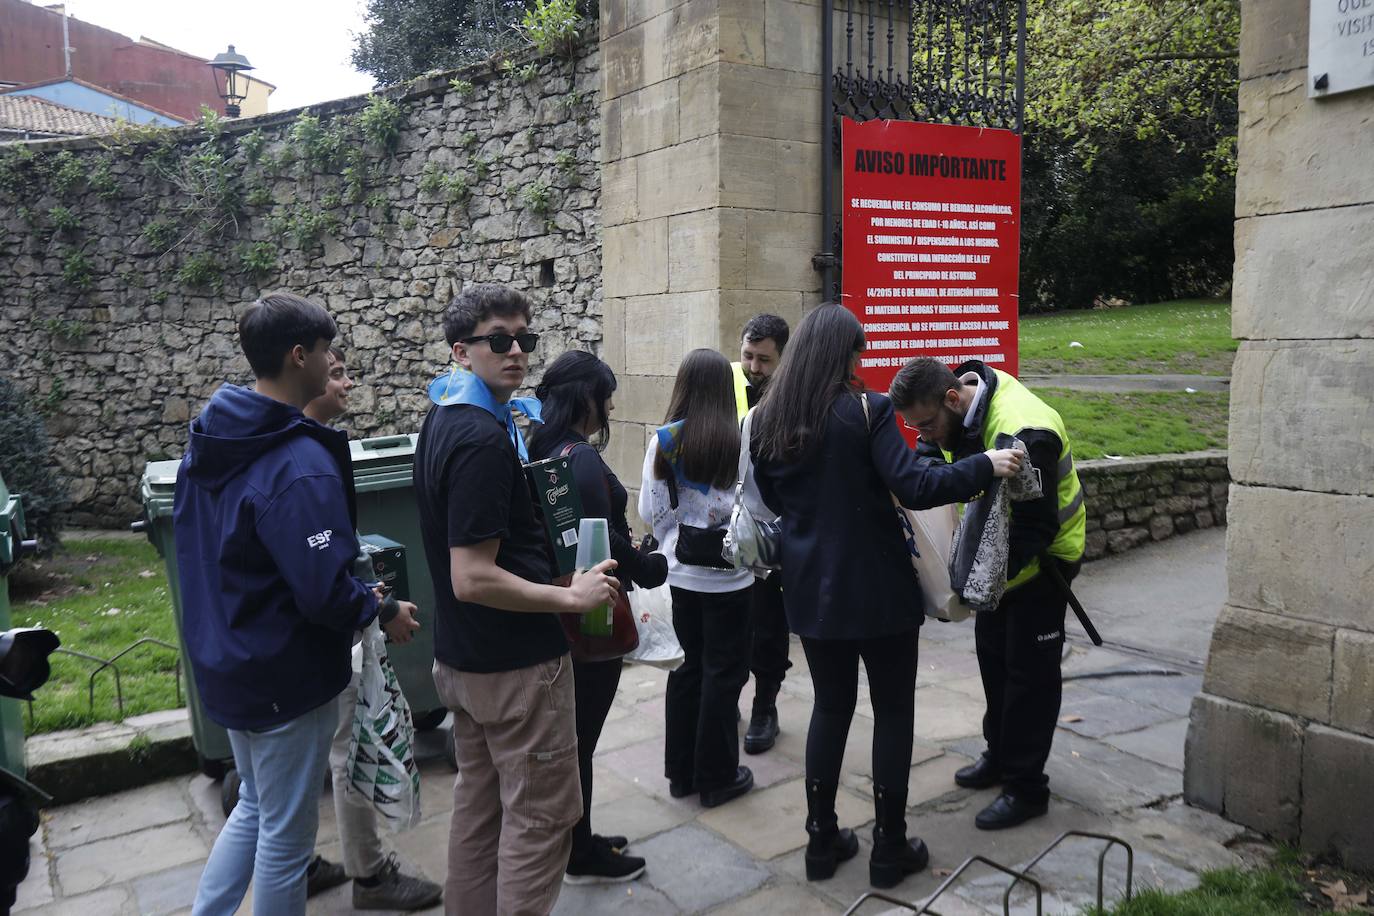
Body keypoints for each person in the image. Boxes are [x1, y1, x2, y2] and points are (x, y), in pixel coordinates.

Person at [749, 304, 1024, 888]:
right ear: (844, 354)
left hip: (810, 590)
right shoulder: (866, 410)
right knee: (893, 712)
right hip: (878, 591)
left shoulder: (766, 418)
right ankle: (889, 848)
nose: (860, 364)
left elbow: (771, 501)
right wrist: (986, 464)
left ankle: (821, 842)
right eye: (857, 354)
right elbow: (916, 485)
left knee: (830, 708)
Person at [175, 293, 421, 915]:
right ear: (298, 355)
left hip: (227, 663)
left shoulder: (213, 439)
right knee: (286, 843)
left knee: (257, 807)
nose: (333, 359)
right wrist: (381, 609)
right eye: (326, 350)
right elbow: (322, 588)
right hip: (285, 675)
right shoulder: (297, 462)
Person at [413, 284, 620, 915]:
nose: (516, 353)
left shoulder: (447, 419)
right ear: (461, 351)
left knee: (480, 815)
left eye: (525, 340)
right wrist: (570, 597)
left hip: (468, 663)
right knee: (540, 823)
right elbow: (471, 576)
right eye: (498, 341)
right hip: (515, 669)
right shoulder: (479, 439)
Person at [889, 357, 1087, 831]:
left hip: (1043, 566)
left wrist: (986, 578)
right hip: (997, 567)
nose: (927, 434)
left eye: (929, 424)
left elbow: (1037, 526)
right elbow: (932, 458)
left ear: (952, 399)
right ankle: (999, 756)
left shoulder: (1025, 430)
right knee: (994, 662)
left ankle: (1026, 787)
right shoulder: (961, 413)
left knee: (1029, 678)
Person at [302, 345, 443, 910]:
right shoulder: (305, 455)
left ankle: (299, 861)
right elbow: (320, 563)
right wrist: (378, 611)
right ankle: (369, 875)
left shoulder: (284, 446)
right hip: (325, 633)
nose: (349, 382)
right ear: (301, 369)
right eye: (335, 372)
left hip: (281, 642)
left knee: (297, 758)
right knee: (348, 748)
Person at [528, 351, 669, 885]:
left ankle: (576, 837)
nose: (609, 407)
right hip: (593, 611)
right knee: (581, 737)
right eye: (606, 397)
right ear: (587, 397)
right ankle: (578, 853)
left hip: (558, 606)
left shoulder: (542, 446)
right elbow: (601, 536)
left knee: (573, 734)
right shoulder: (579, 458)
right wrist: (648, 566)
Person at [639, 349, 756, 809]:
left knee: (684, 673)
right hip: (732, 580)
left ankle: (681, 775)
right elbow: (757, 509)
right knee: (723, 678)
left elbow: (651, 514)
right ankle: (718, 777)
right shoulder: (741, 439)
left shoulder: (664, 442)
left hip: (679, 576)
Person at [730, 314, 791, 755]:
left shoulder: (795, 398)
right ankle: (728, 696)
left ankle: (765, 706)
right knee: (733, 625)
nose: (754, 366)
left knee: (770, 627)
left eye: (764, 359)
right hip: (733, 528)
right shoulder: (727, 382)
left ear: (783, 358)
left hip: (777, 535)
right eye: (749, 355)